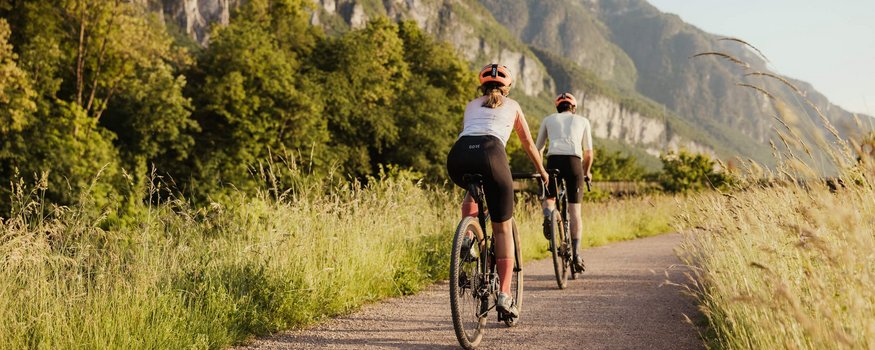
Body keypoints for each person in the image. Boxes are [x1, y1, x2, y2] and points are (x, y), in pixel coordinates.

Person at [446, 64, 549, 318]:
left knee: (472, 187)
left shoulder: (472, 104)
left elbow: (472, 133)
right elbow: (528, 144)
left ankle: (469, 239)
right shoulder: (513, 106)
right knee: (503, 228)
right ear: (508, 88)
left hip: (458, 157)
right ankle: (504, 295)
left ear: (482, 86)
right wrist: (543, 172)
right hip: (492, 154)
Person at [535, 92, 594, 273]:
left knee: (550, 197)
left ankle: (548, 215)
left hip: (554, 161)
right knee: (575, 211)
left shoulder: (548, 119)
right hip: (574, 163)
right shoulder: (582, 121)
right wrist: (586, 172)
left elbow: (538, 149)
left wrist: (541, 172)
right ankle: (576, 254)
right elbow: (588, 153)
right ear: (573, 108)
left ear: (557, 108)